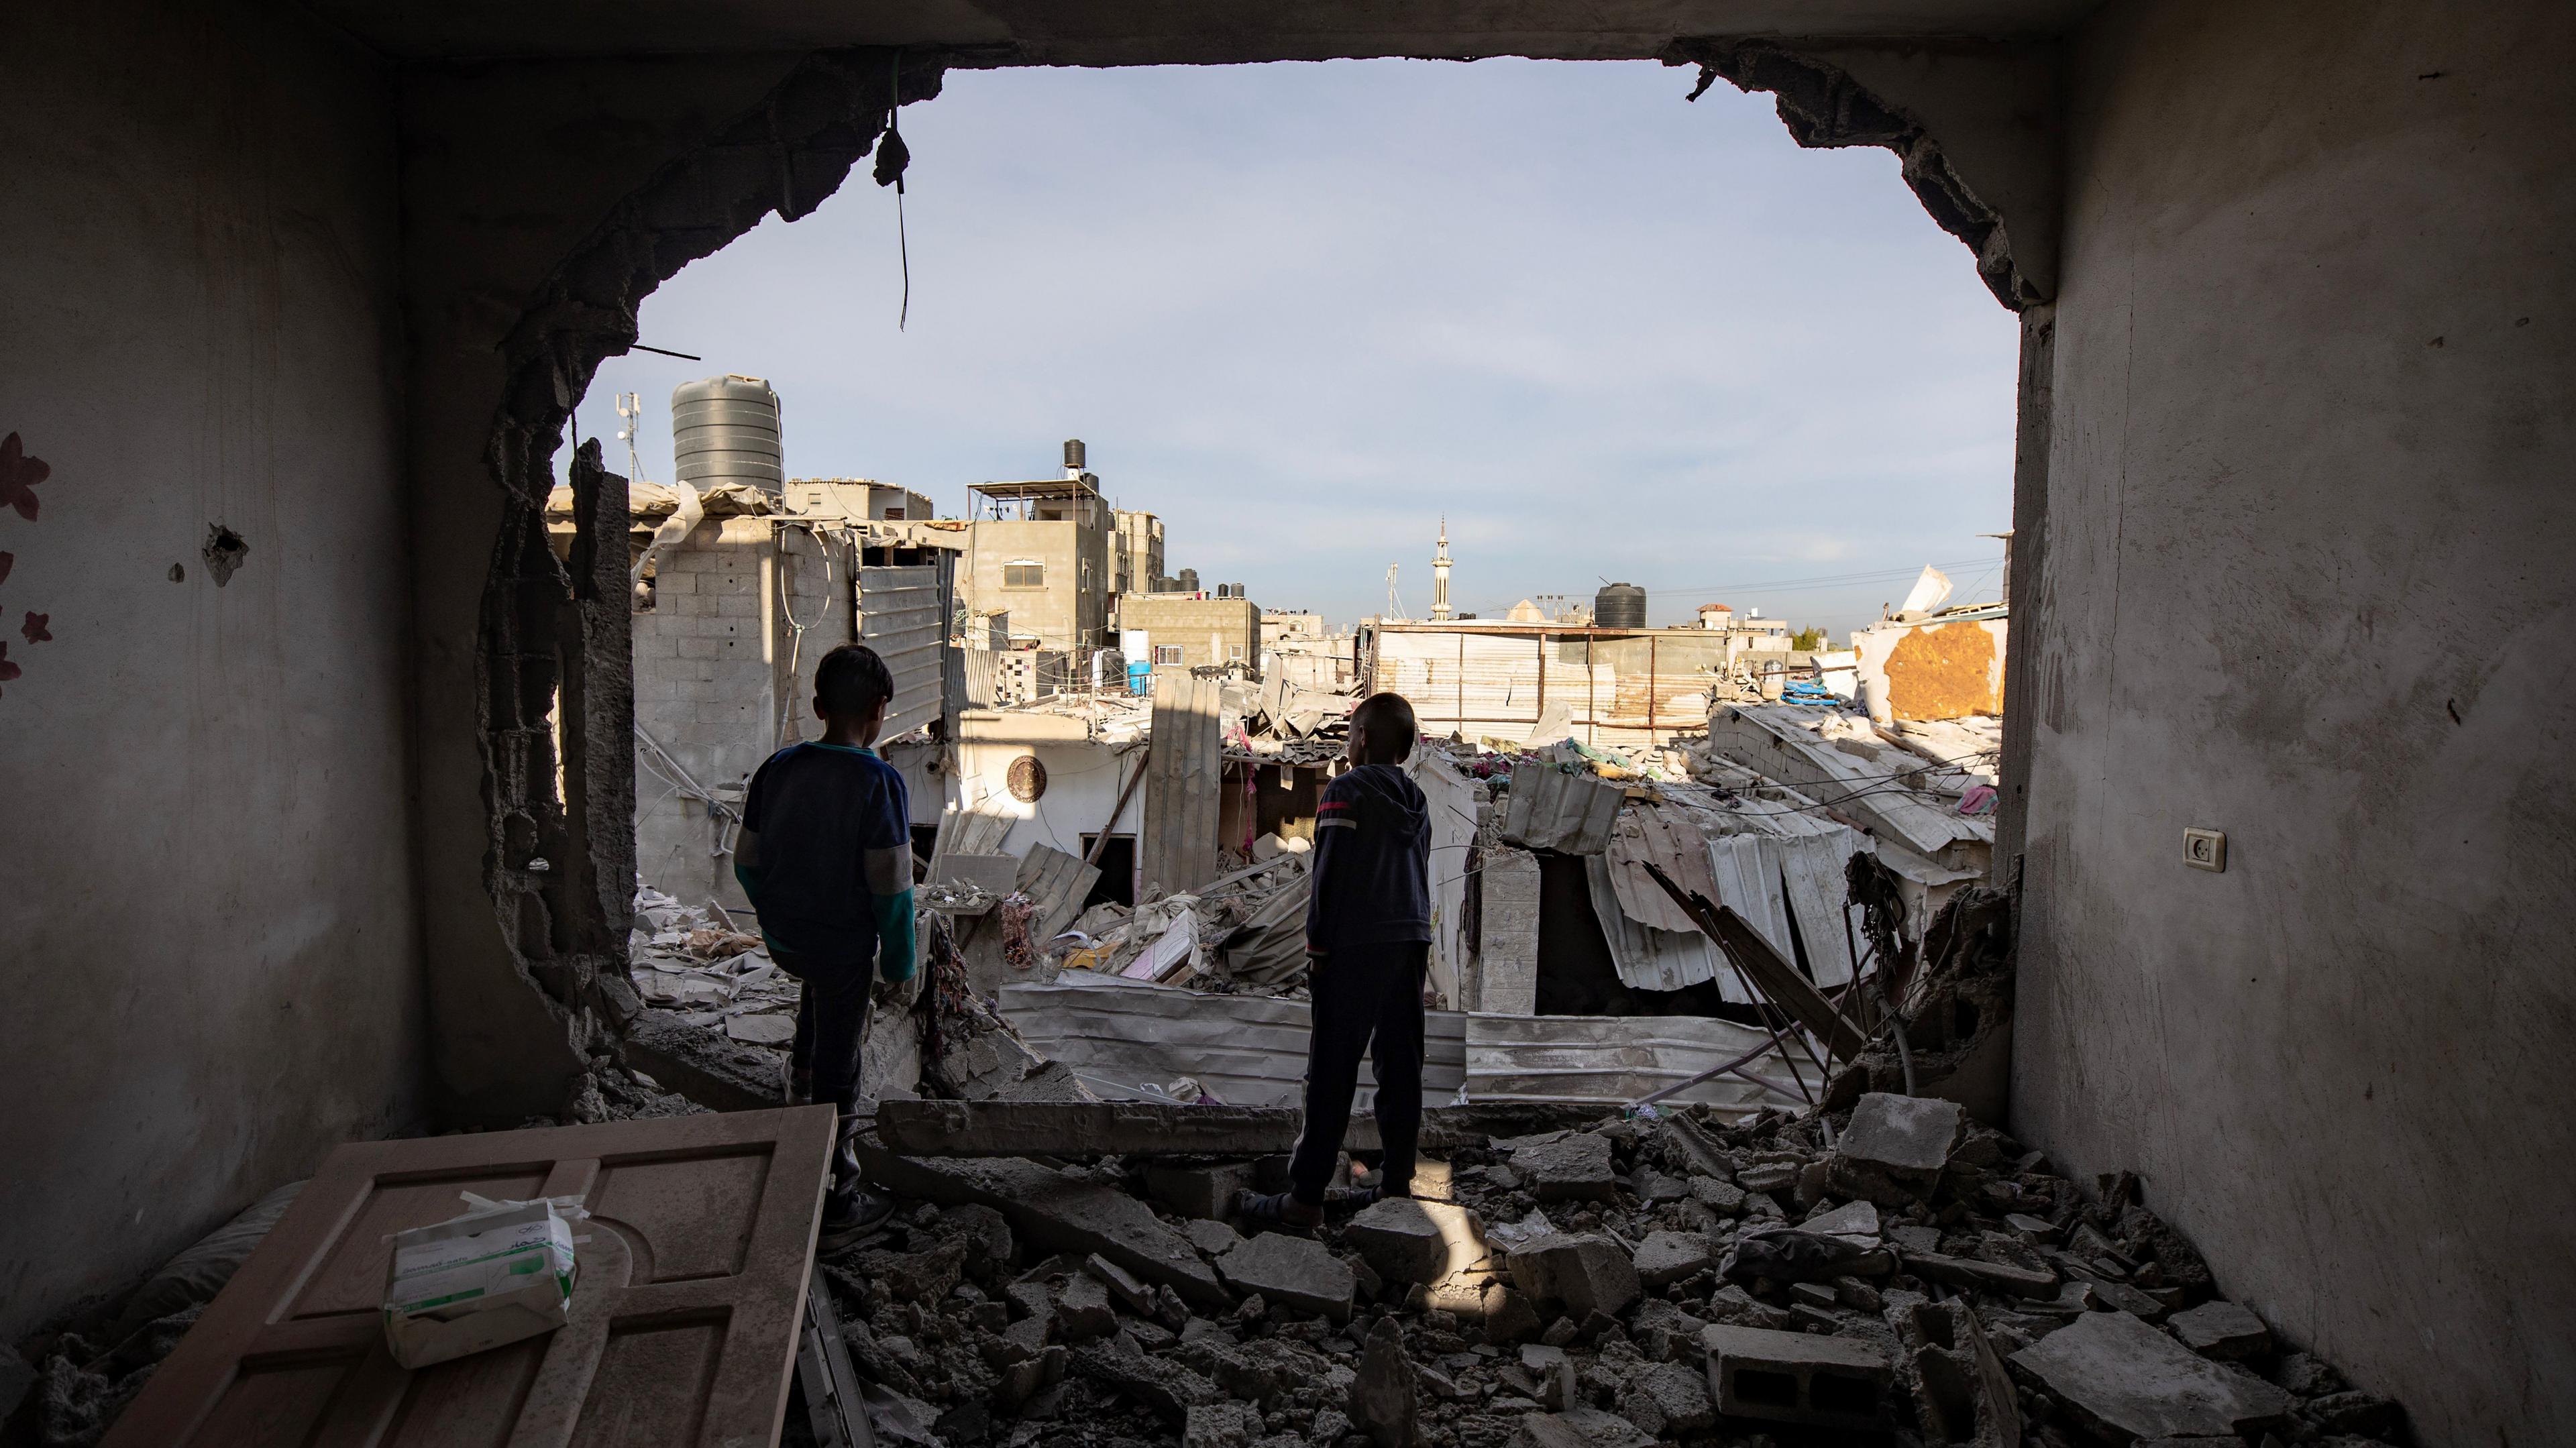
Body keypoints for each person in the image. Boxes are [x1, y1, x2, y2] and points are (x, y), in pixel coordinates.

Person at [733, 643, 917, 1246]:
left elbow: (747, 863)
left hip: (786, 940)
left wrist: (778, 915)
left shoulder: (778, 768)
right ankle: (837, 1192)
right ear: (879, 709)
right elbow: (892, 890)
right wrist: (899, 963)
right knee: (846, 1055)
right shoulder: (878, 782)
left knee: (818, 988)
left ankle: (797, 1088)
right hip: (840, 948)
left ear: (817, 706)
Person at [1239, 691, 1433, 1230]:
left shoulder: (1345, 791)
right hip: (1410, 941)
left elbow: (1329, 879)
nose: (1346, 743)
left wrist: (1318, 951)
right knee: (1401, 1067)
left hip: (1355, 946)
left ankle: (1304, 1198)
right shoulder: (1417, 801)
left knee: (1331, 1069)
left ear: (1364, 738)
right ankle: (1396, 1184)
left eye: (1350, 733)